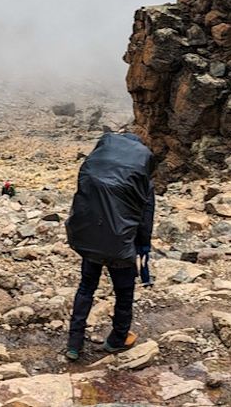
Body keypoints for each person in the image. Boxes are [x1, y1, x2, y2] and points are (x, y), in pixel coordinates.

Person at [64, 132, 155, 362]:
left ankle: (74, 344)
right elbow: (146, 217)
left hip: (93, 239)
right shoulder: (140, 175)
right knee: (124, 292)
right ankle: (117, 339)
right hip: (123, 243)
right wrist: (143, 247)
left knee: (86, 288)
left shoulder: (96, 168)